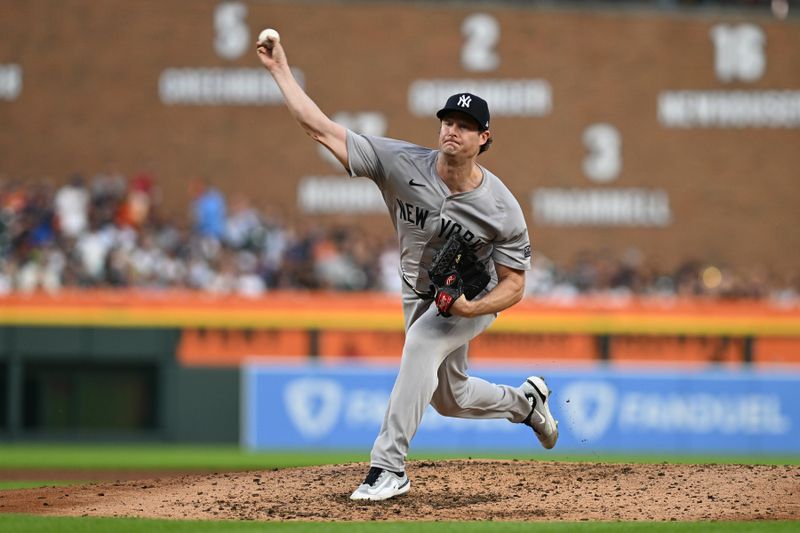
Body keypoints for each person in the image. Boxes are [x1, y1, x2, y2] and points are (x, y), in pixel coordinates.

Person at [256, 33, 558, 502]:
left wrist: (468, 308)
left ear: (484, 138)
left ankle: (388, 467)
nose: (452, 129)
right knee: (449, 398)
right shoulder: (401, 163)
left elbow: (515, 285)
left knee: (421, 341)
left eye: (465, 124)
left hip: (469, 298)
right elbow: (321, 129)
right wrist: (280, 70)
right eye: (447, 120)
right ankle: (526, 403)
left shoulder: (501, 207)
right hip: (416, 292)